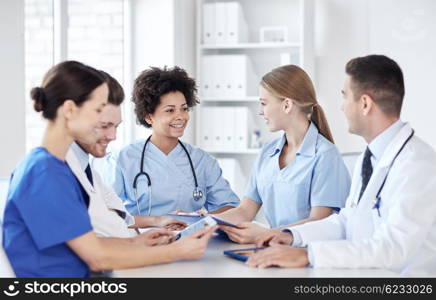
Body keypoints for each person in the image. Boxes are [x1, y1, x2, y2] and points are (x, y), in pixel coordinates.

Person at [2, 61, 216, 277]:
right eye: (98, 111)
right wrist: (176, 251)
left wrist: (137, 243)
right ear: (69, 110)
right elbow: (96, 257)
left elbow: (88, 243)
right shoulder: (44, 173)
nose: (110, 132)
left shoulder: (57, 168)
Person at [249, 55, 436, 277]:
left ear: (365, 104)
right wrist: (291, 235)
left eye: (345, 96)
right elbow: (347, 220)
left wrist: (309, 255)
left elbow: (393, 248)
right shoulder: (370, 156)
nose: (341, 107)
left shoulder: (417, 164)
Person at [215, 65, 351, 244]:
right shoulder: (267, 153)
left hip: (309, 257)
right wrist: (203, 223)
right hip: (272, 250)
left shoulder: (326, 156)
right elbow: (245, 211)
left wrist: (266, 234)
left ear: (287, 105)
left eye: (264, 103)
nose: (260, 111)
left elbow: (319, 222)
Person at [66, 71, 186, 239]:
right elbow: (91, 249)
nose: (113, 136)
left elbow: (120, 219)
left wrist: (158, 221)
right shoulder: (52, 173)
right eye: (104, 125)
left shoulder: (86, 168)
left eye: (116, 126)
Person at [107, 66, 240, 216]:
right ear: (149, 116)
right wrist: (157, 222)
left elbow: (231, 207)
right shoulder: (123, 158)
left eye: (184, 109)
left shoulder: (201, 160)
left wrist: (201, 217)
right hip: (141, 237)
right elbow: (110, 212)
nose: (181, 116)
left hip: (192, 236)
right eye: (170, 110)